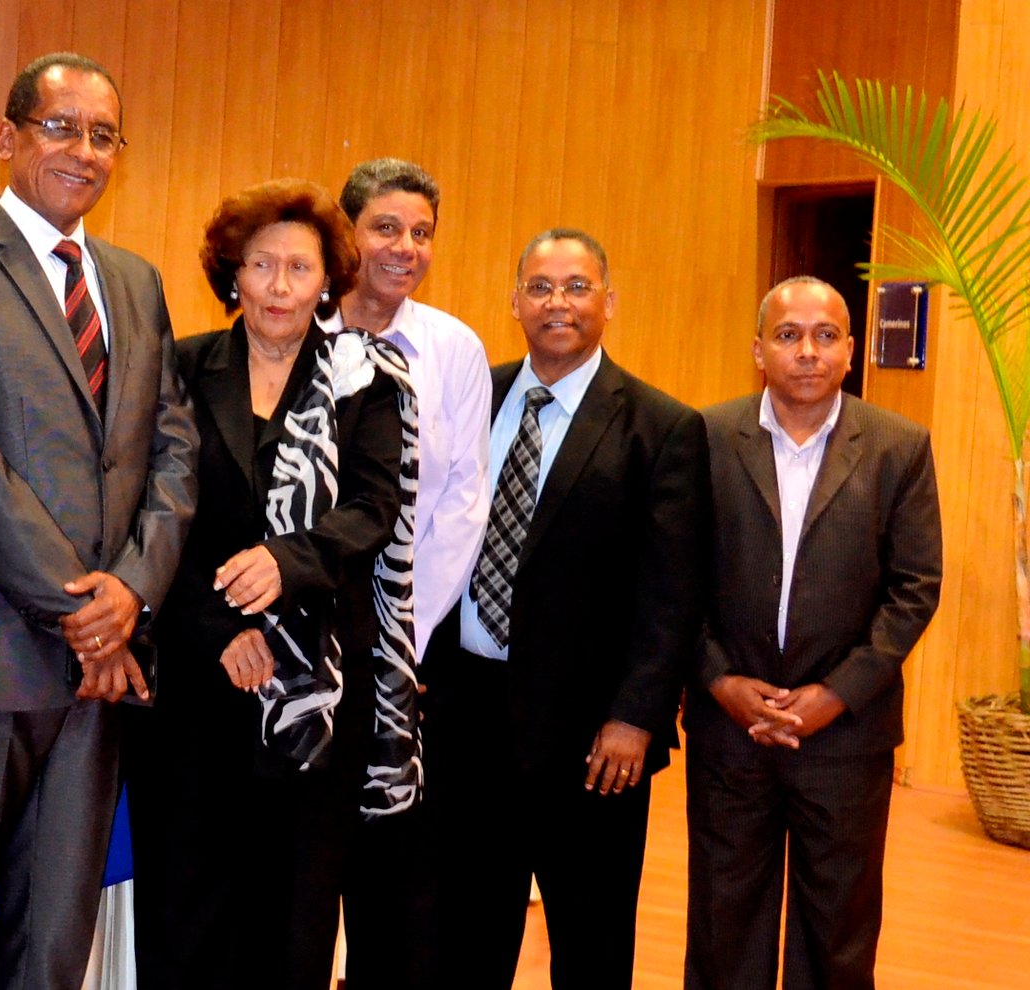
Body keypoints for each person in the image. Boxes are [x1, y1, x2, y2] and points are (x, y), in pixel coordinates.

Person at [0, 52, 198, 990]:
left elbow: (171, 453)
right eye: (61, 127)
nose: (84, 151)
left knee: (56, 944)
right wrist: (79, 609)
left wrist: (132, 594)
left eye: (103, 135)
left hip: (100, 679)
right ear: (7, 137)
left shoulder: (135, 280)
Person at [125, 178, 420, 990]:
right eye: (262, 265)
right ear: (233, 274)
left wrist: (284, 567)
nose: (281, 286)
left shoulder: (367, 380)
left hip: (318, 684)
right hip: (194, 679)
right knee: (185, 910)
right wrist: (224, 628)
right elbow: (151, 514)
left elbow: (374, 508)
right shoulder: (182, 367)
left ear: (330, 279)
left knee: (290, 920)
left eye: (300, 267)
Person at [429, 228, 709, 988]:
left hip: (594, 739)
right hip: (466, 721)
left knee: (589, 945)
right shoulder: (466, 401)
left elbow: (673, 593)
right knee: (462, 936)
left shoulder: (663, 427)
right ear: (514, 300)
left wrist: (637, 716)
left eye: (578, 287)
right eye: (542, 287)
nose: (559, 303)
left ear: (609, 304)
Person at [684, 276, 942, 990]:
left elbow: (915, 588)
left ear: (851, 351)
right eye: (789, 335)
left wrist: (837, 693)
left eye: (825, 336)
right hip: (729, 732)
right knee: (723, 925)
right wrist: (718, 681)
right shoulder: (703, 437)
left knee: (838, 933)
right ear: (758, 348)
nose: (807, 352)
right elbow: (674, 581)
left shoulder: (899, 447)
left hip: (845, 740)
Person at [321, 158, 490, 988]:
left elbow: (464, 504)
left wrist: (405, 639)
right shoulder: (301, 328)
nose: (406, 248)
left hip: (412, 650)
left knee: (399, 875)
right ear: (347, 233)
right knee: (308, 868)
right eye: (386, 228)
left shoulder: (452, 347)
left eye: (422, 233)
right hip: (307, 640)